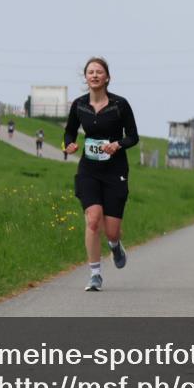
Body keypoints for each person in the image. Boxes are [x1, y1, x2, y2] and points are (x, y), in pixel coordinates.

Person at [63, 57, 139, 292]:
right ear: (85, 77)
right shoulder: (79, 105)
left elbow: (133, 136)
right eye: (90, 72)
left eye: (99, 72)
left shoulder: (120, 105)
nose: (94, 75)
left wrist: (118, 144)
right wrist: (70, 145)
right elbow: (69, 132)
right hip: (89, 170)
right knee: (93, 219)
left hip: (115, 170)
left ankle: (115, 245)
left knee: (112, 230)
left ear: (107, 77)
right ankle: (95, 274)